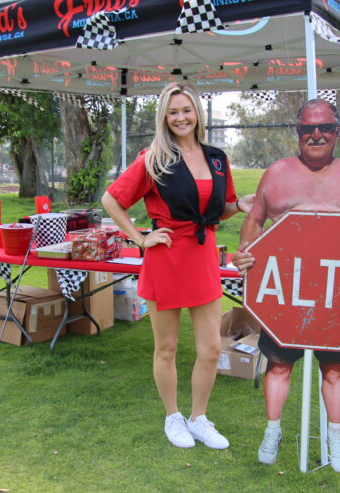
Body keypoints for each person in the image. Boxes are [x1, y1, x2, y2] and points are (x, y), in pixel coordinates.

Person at [231, 99, 340, 471]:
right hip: (285, 292)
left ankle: (334, 435)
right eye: (308, 129)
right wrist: (244, 251)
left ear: (338, 131)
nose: (316, 135)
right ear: (298, 133)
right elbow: (256, 218)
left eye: (324, 127)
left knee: (335, 367)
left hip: (337, 293)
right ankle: (272, 430)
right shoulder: (276, 173)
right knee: (277, 365)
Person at [101, 83, 253, 450]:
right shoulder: (154, 158)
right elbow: (112, 199)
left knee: (211, 349)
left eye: (186, 109)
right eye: (173, 112)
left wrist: (241, 204)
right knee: (166, 347)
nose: (181, 117)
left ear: (197, 112)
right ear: (164, 118)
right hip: (166, 259)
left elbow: (220, 208)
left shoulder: (217, 158)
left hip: (202, 258)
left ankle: (199, 418)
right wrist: (139, 238)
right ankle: (173, 417)